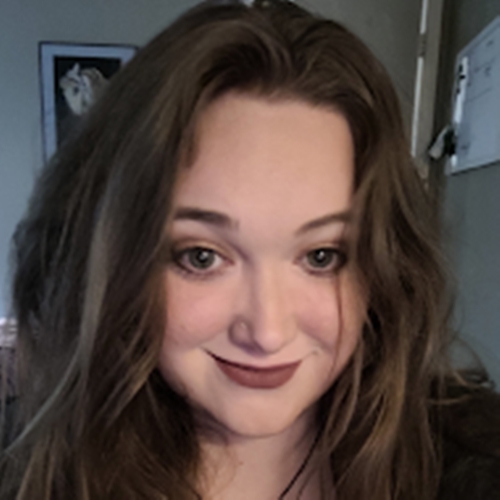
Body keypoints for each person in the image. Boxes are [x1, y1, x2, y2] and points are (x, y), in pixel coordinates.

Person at [1, 1, 499, 499]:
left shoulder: (474, 465)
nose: (267, 332)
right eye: (201, 257)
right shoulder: (37, 471)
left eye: (321, 256)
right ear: (113, 259)